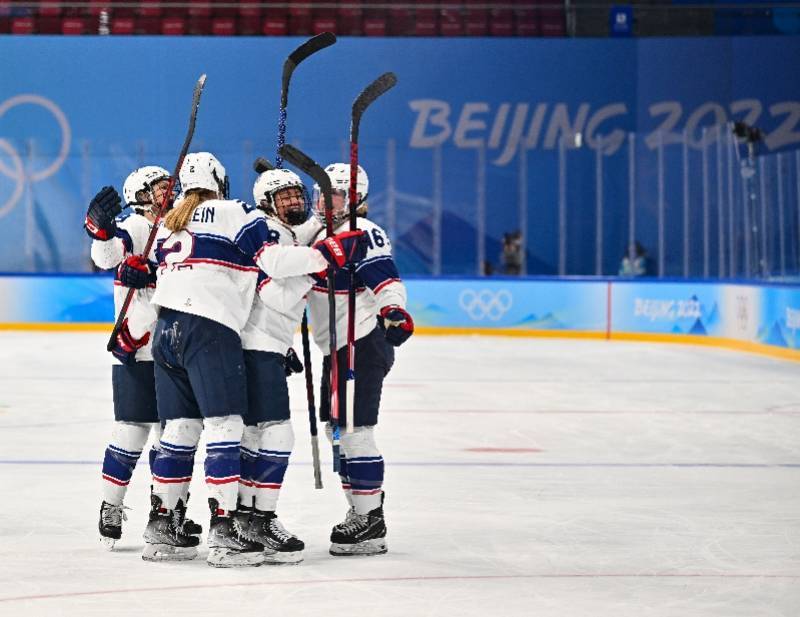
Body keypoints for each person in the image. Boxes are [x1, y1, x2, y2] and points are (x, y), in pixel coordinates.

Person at [118, 152, 366, 566]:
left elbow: (154, 272)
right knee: (226, 427)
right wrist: (327, 255)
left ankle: (163, 525)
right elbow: (271, 261)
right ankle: (224, 528)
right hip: (210, 329)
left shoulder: (170, 220)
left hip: (165, 332)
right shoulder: (236, 211)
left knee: (179, 429)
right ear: (220, 178)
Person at [301, 163, 414, 557]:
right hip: (335, 347)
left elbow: (386, 279)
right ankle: (359, 510)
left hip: (361, 341)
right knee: (340, 432)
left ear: (354, 198)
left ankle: (370, 520)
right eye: (320, 195)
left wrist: (394, 311)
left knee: (355, 431)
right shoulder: (315, 234)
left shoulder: (364, 232)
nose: (322, 203)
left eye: (332, 196)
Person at [85, 166, 201, 549]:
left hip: (179, 350)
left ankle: (168, 511)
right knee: (132, 431)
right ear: (139, 196)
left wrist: (153, 273)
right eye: (160, 189)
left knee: (175, 437)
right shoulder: (136, 227)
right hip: (138, 348)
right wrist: (99, 230)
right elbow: (106, 256)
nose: (170, 192)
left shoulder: (184, 227)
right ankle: (110, 505)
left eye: (172, 186)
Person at [234, 167, 315, 564]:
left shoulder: (282, 232)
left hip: (261, 346)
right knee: (277, 435)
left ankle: (246, 516)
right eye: (284, 197)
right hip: (257, 346)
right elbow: (278, 298)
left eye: (297, 194)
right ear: (268, 203)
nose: (294, 202)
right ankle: (258, 519)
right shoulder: (269, 234)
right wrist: (319, 267)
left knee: (253, 435)